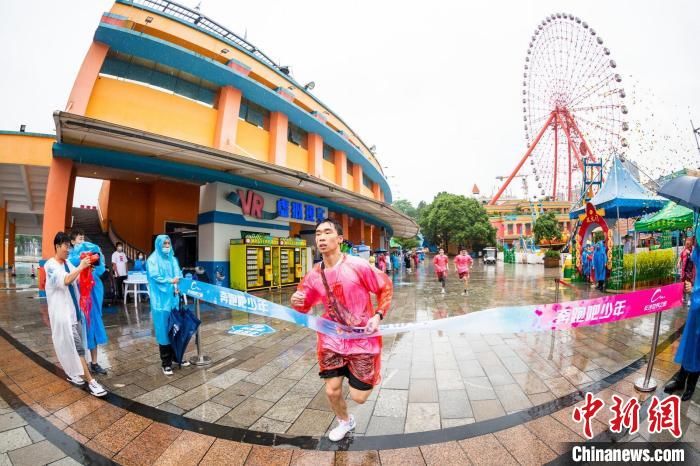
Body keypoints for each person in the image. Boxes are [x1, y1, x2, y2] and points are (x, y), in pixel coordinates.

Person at [291, 219, 392, 442]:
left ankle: (363, 373)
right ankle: (345, 422)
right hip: (331, 339)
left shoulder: (358, 265)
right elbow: (304, 305)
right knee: (332, 390)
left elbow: (385, 287)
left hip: (362, 338)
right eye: (318, 234)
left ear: (339, 239)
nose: (321, 237)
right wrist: (296, 301)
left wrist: (378, 315)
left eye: (327, 232)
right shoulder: (314, 274)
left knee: (359, 397)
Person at [44, 232, 107, 397]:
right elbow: (65, 280)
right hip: (63, 316)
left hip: (75, 313)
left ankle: (74, 373)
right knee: (77, 348)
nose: (68, 250)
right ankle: (91, 382)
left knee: (75, 348)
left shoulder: (67, 264)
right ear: (57, 246)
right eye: (66, 246)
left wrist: (87, 269)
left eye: (68, 246)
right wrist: (80, 266)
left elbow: (78, 279)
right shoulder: (51, 265)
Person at [665, 232, 700, 401]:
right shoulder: (696, 250)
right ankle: (681, 379)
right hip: (695, 306)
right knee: (689, 343)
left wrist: (693, 289)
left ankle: (691, 383)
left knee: (698, 346)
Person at [69, 230, 109, 375]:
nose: (83, 242)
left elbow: (100, 268)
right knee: (81, 328)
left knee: (94, 324)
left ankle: (94, 362)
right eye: (80, 239)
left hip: (94, 292)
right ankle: (80, 363)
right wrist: (82, 262)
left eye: (84, 238)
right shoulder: (71, 258)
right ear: (72, 242)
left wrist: (95, 260)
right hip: (81, 296)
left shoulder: (92, 251)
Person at [146, 235, 187, 375]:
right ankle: (166, 363)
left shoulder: (173, 259)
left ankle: (177, 358)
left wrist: (177, 282)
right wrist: (171, 281)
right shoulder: (152, 260)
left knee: (175, 329)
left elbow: (178, 273)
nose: (167, 246)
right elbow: (155, 277)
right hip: (160, 302)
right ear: (158, 244)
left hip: (174, 300)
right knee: (164, 331)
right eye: (164, 243)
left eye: (168, 243)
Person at [678, 238, 695, 304]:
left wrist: (690, 254)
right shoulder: (684, 250)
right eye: (686, 242)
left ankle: (690, 299)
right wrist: (678, 263)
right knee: (683, 284)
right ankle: (683, 297)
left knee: (689, 284)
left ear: (691, 243)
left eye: (688, 242)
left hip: (690, 271)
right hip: (684, 271)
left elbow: (694, 259)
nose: (687, 243)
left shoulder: (693, 251)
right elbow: (681, 256)